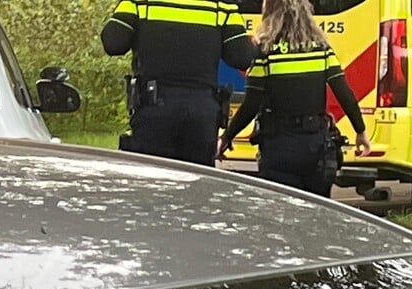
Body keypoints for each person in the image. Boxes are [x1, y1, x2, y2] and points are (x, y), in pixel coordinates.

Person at [219, 0, 371, 196]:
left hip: (279, 147)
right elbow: (344, 93)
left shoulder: (265, 51)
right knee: (317, 212)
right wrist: (360, 131)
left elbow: (251, 103)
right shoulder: (321, 48)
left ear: (270, 13)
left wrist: (227, 136)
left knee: (281, 214)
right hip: (316, 146)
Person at [100, 0, 256, 165]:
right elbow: (242, 57)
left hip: (153, 110)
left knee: (152, 181)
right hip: (200, 116)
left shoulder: (139, 3)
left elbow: (113, 43)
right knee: (196, 184)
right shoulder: (221, 7)